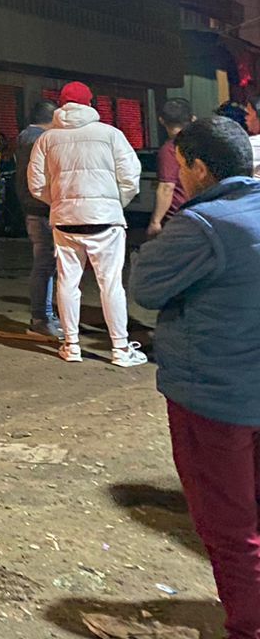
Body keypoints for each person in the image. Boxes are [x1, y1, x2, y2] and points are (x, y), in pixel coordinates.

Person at [130, 116, 260, 639]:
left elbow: (146, 286)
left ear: (201, 168)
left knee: (231, 527)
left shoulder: (205, 226)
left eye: (182, 166)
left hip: (215, 397)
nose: (179, 176)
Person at [28, 82, 144, 367]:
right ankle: (120, 349)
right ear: (90, 103)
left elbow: (36, 185)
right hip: (106, 221)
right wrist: (114, 203)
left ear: (62, 105)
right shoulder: (111, 135)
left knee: (67, 283)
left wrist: (60, 203)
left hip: (65, 222)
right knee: (111, 285)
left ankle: (71, 346)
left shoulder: (46, 139)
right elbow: (131, 178)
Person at [14, 100, 58, 339]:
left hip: (33, 208)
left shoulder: (25, 137)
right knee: (44, 264)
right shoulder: (39, 140)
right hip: (41, 209)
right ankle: (41, 318)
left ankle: (45, 316)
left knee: (46, 263)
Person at [149, 99, 195, 238]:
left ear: (161, 120)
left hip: (179, 216)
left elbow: (166, 187)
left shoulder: (170, 149)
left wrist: (155, 222)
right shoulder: (203, 143)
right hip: (203, 212)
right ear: (192, 118)